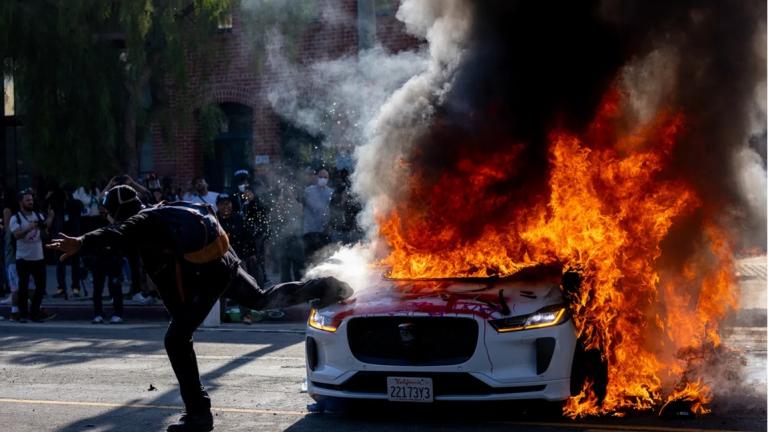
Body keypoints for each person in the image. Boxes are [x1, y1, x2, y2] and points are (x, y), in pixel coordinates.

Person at [47, 185, 351, 432]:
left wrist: (82, 242)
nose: (110, 219)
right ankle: (327, 287)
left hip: (208, 274)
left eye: (109, 213)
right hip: (223, 259)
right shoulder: (162, 209)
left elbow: (116, 235)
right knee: (260, 298)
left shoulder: (139, 223)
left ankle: (199, 415)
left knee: (176, 340)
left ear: (116, 211)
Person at [10, 189, 54, 322]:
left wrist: (51, 217)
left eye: (31, 200)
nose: (30, 202)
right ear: (21, 202)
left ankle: (34, 313)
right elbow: (17, 235)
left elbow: (45, 228)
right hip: (23, 258)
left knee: (41, 287)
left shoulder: (38, 215)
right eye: (27, 200)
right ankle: (23, 314)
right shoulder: (15, 218)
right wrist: (29, 228)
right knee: (22, 288)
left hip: (38, 257)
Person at [301, 168, 333, 269]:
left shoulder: (331, 192)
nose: (323, 179)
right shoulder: (308, 191)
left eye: (325, 177)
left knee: (323, 261)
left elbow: (333, 210)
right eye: (321, 177)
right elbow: (307, 206)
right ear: (316, 177)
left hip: (324, 232)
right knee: (309, 260)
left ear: (328, 179)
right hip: (310, 231)